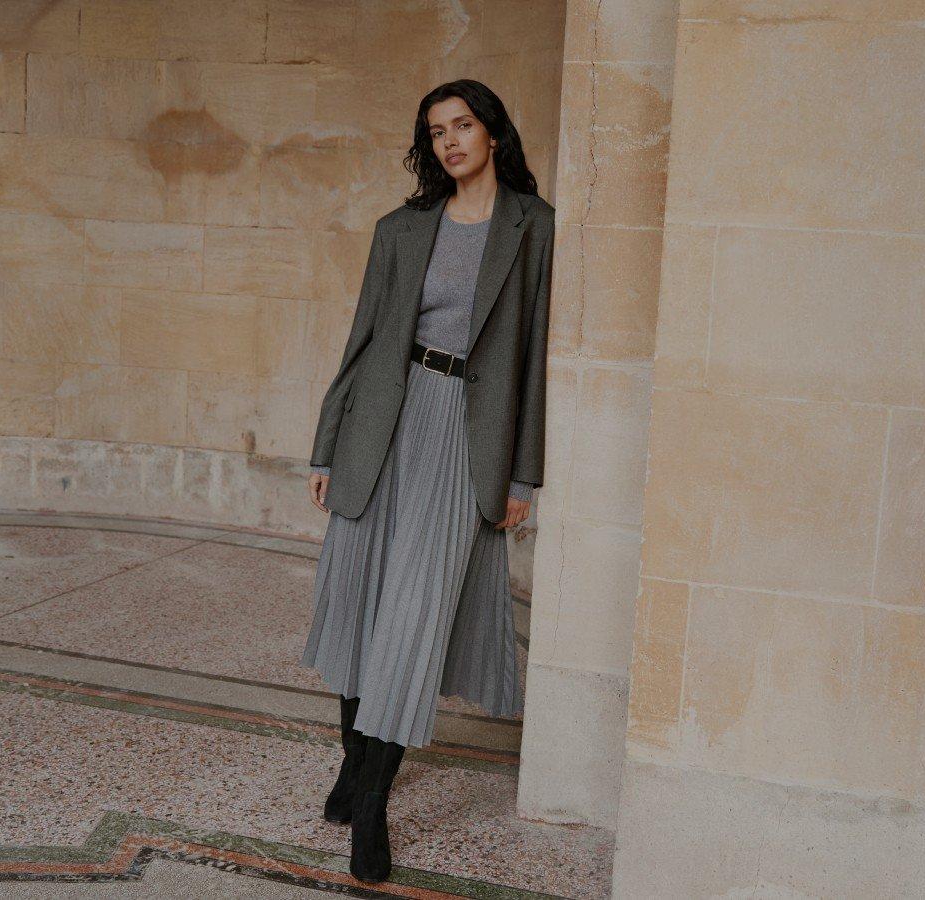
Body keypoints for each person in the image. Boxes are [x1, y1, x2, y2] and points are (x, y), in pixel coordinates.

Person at [298, 79, 555, 885]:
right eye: (436, 131)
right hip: (385, 420)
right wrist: (329, 446)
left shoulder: (534, 229)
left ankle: (371, 804)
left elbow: (538, 360)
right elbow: (362, 340)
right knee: (361, 602)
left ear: (491, 133)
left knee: (413, 618)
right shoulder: (401, 229)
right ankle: (352, 764)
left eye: (463, 126)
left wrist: (523, 475)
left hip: (464, 437)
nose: (450, 142)